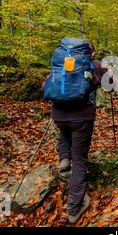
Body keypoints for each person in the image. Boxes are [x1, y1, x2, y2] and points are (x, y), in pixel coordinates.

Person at [44, 40, 107, 224]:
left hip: (58, 114)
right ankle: (74, 207)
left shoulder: (61, 63)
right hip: (82, 116)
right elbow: (111, 83)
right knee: (79, 160)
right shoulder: (94, 64)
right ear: (91, 52)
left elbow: (45, 87)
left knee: (64, 129)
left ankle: (64, 157)